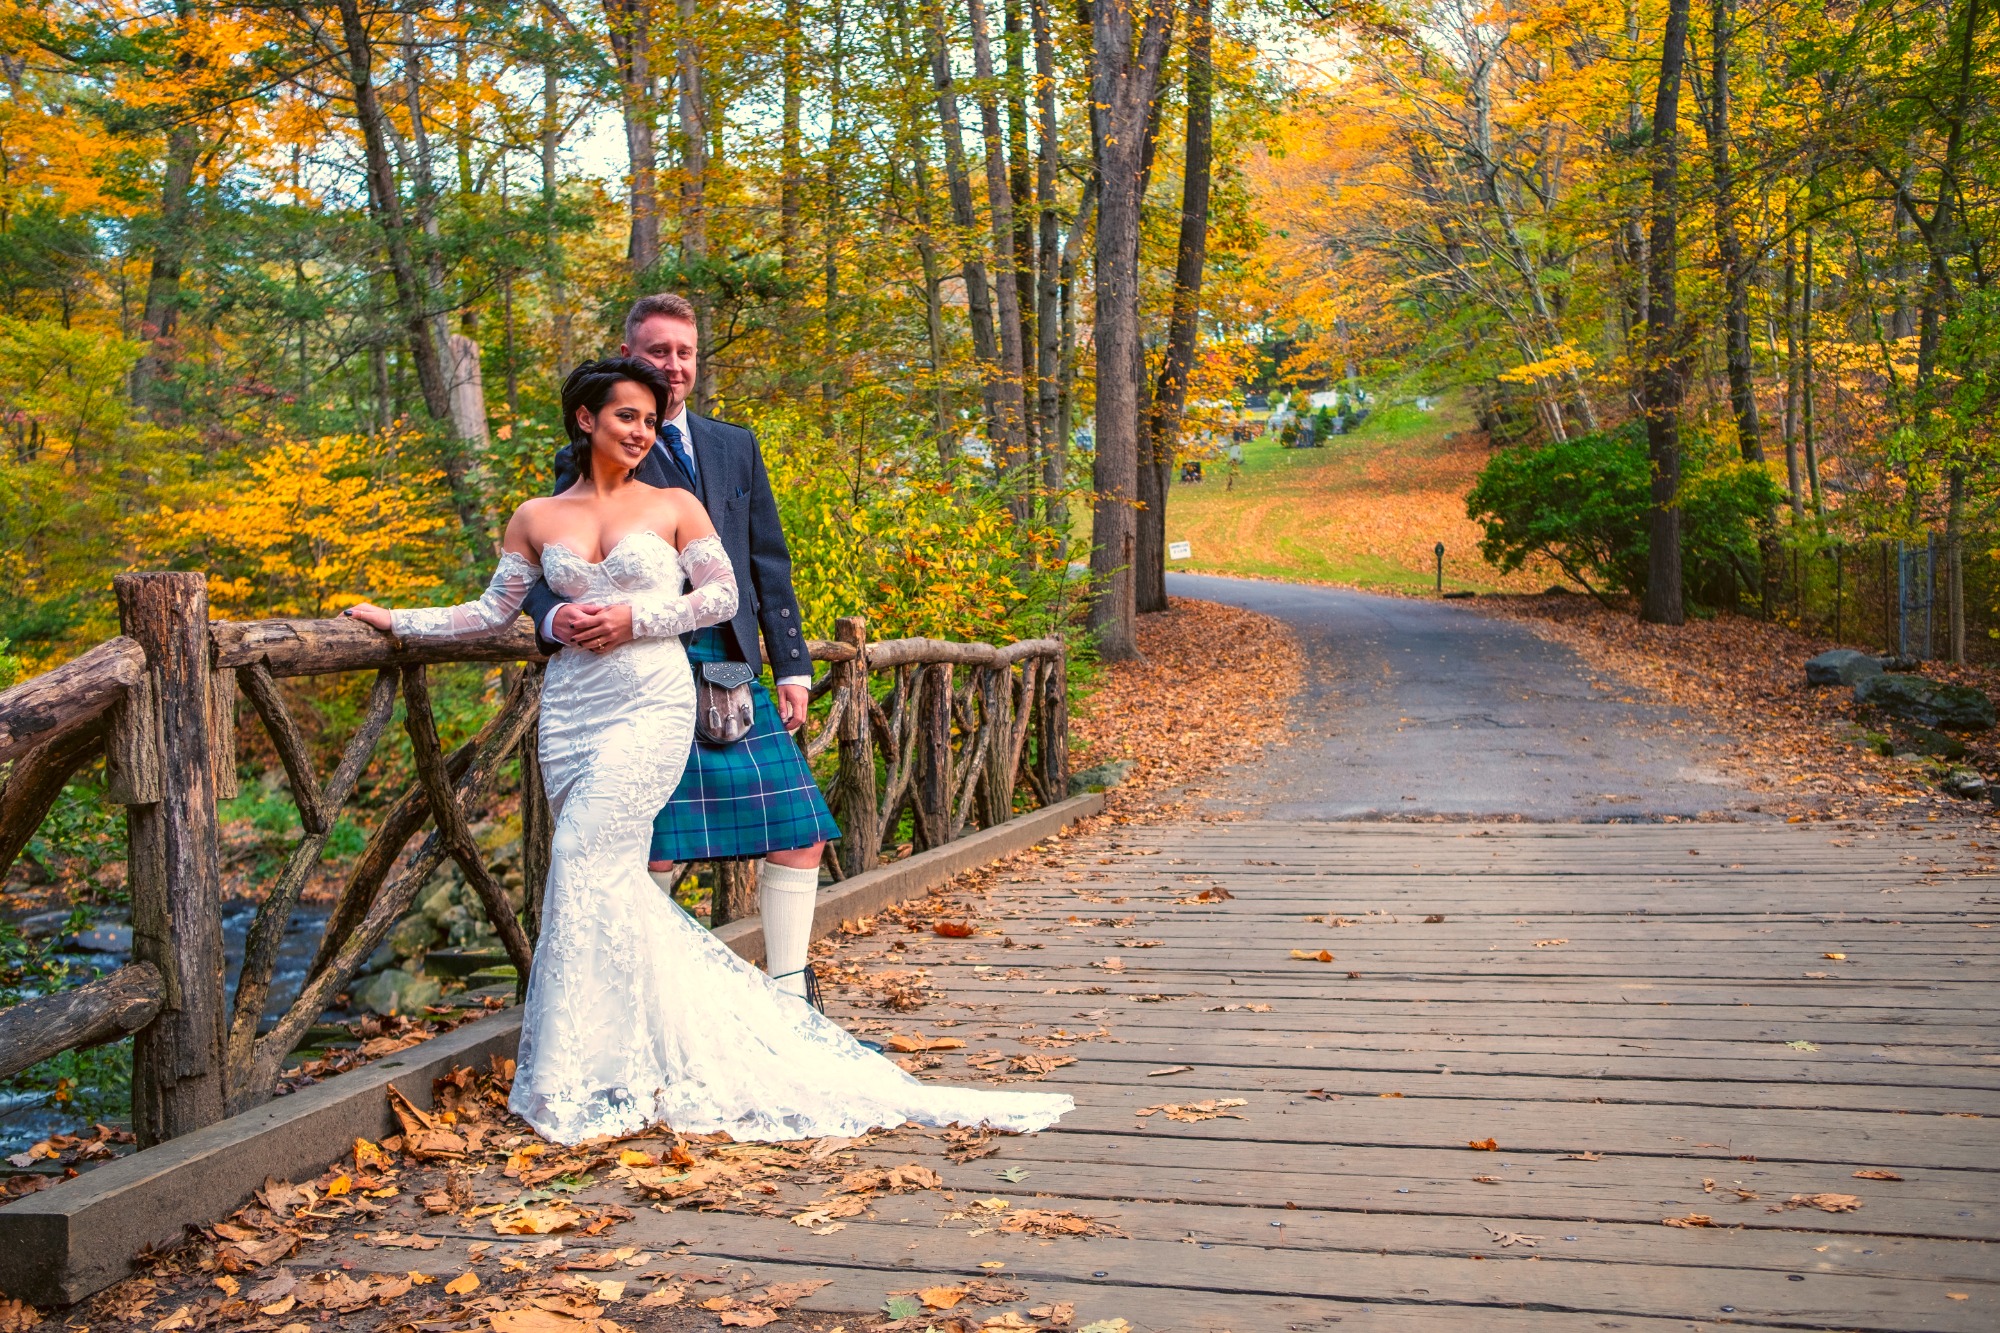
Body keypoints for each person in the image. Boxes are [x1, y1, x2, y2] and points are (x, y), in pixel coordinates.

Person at [345, 358, 1072, 1146]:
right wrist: (397, 621)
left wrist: (635, 619)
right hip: (572, 714)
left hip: (651, 704)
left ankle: (583, 1074)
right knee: (600, 878)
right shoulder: (535, 515)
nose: (641, 431)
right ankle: (609, 1057)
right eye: (626, 416)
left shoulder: (674, 505)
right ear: (585, 418)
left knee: (583, 858)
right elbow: (492, 612)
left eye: (649, 420)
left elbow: (722, 596)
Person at [524, 293, 837, 1003]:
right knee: (652, 846)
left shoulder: (733, 445)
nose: (673, 365)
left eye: (684, 352)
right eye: (658, 351)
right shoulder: (591, 451)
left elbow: (766, 562)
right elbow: (546, 572)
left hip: (729, 667)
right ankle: (645, 1003)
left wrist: (792, 666)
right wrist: (556, 618)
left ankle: (792, 999)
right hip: (640, 675)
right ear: (628, 356)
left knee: (800, 831)